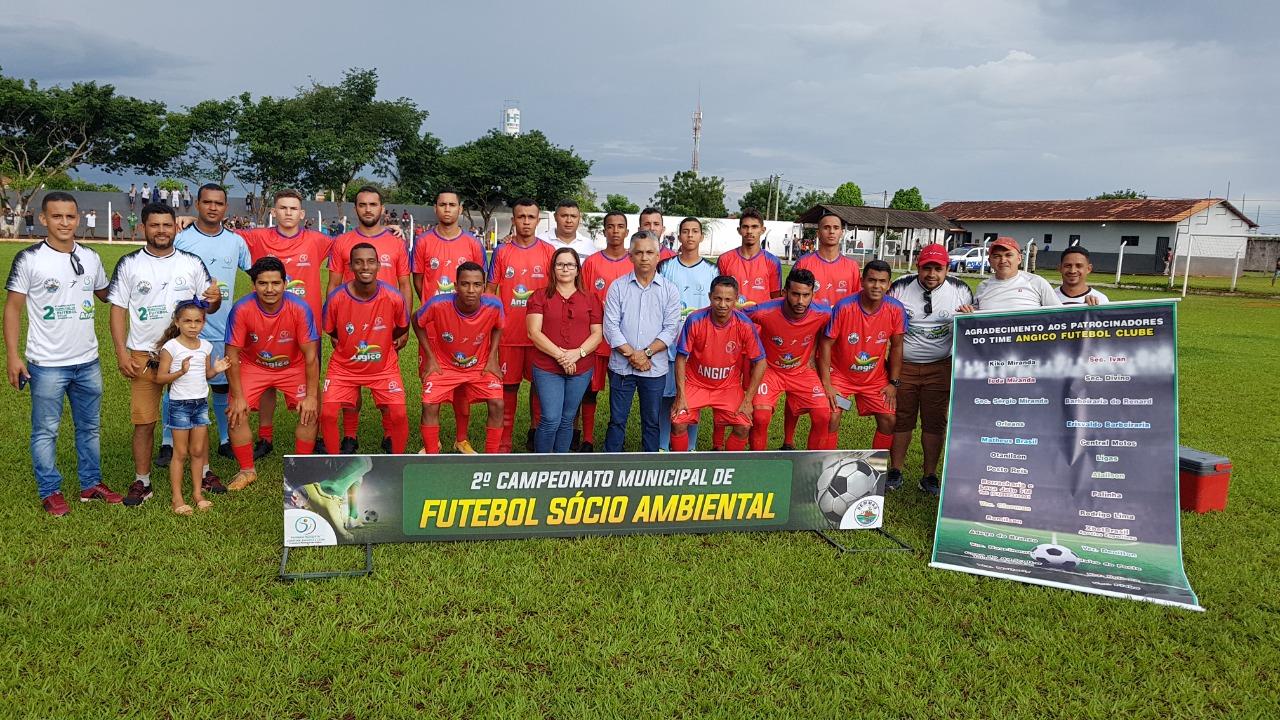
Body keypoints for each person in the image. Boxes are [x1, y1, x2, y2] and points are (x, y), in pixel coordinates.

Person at [4, 191, 119, 516]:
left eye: (70, 216)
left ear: (77, 218)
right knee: (46, 430)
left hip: (88, 361)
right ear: (43, 219)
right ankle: (50, 490)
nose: (64, 222)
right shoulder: (30, 259)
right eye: (57, 216)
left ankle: (90, 484)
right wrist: (13, 356)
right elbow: (12, 310)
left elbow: (106, 294)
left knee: (90, 428)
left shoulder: (91, 257)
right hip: (47, 365)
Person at [108, 202, 220, 507]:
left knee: (198, 416)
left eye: (167, 225)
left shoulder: (191, 262)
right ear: (143, 227)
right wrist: (121, 352)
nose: (161, 231)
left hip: (188, 353)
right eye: (154, 225)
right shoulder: (130, 264)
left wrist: (215, 298)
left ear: (176, 227)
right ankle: (142, 481)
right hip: (145, 355)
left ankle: (206, 473)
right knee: (144, 421)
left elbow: (209, 305)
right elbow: (117, 310)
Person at [157, 184, 250, 486]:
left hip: (223, 330)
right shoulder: (182, 239)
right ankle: (169, 440)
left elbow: (255, 271)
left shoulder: (236, 242)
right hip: (185, 330)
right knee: (179, 387)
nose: (212, 207)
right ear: (196, 204)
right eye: (207, 202)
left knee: (222, 388)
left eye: (219, 203)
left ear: (226, 207)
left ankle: (224, 439)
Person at [233, 189, 334, 456]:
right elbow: (221, 234)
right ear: (274, 212)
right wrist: (189, 221)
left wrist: (389, 229)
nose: (288, 213)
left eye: (293, 209)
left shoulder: (317, 240)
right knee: (266, 375)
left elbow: (349, 243)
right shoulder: (256, 237)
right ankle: (265, 437)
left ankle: (318, 435)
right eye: (283, 208)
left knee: (312, 376)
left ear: (302, 214)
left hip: (304, 326)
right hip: (265, 322)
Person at [326, 186, 412, 453]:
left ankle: (390, 434)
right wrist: (335, 325)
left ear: (382, 208)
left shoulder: (396, 243)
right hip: (351, 323)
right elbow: (333, 285)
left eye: (373, 204)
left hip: (386, 324)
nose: (368, 209)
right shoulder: (342, 242)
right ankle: (350, 435)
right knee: (350, 381)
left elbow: (405, 285)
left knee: (384, 380)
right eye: (362, 204)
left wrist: (404, 326)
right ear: (356, 209)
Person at [223, 256, 321, 490]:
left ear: (285, 283)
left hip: (293, 366)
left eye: (275, 283)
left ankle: (303, 467)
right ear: (253, 285)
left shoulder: (300, 308)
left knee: (310, 411)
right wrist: (237, 396)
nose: (269, 289)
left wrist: (311, 396)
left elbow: (310, 356)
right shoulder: (241, 309)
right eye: (263, 283)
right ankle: (247, 470)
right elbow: (232, 356)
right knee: (236, 413)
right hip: (253, 365)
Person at [887, 244, 972, 495]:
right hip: (905, 366)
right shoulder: (900, 286)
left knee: (935, 422)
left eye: (938, 268)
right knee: (901, 418)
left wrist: (969, 315)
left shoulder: (961, 289)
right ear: (918, 267)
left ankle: (930, 475)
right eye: (927, 268)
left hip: (940, 366)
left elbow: (971, 328)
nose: (932, 274)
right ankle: (895, 469)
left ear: (947, 269)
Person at [410, 189, 486, 453]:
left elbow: (479, 283)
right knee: (432, 383)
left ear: (460, 209)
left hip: (464, 328)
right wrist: (437, 310)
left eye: (452, 205)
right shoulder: (422, 242)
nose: (447, 209)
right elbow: (419, 281)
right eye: (442, 204)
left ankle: (461, 438)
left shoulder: (473, 244)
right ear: (435, 208)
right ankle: (434, 441)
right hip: (433, 328)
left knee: (463, 384)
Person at [817, 261, 906, 469]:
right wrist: (828, 382)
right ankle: (824, 466)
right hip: (842, 376)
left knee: (888, 419)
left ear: (889, 284)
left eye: (882, 281)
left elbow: (897, 347)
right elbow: (826, 343)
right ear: (862, 281)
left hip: (874, 379)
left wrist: (893, 383)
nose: (877, 286)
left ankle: (876, 468)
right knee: (832, 414)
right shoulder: (844, 307)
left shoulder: (895, 309)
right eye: (872, 280)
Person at [787, 212, 862, 448]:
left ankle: (823, 451)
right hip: (806, 337)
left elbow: (855, 305)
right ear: (818, 232)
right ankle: (788, 442)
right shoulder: (804, 263)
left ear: (842, 232)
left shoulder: (851, 267)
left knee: (831, 401)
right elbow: (790, 298)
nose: (831, 231)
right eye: (826, 227)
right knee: (796, 388)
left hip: (837, 340)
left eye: (835, 227)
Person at [602, 231, 682, 452]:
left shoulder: (670, 291)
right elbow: (610, 327)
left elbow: (670, 330)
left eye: (649, 252)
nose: (644, 257)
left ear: (658, 256)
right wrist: (633, 355)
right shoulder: (617, 287)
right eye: (639, 252)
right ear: (630, 256)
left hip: (653, 368)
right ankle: (612, 465)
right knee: (617, 420)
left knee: (652, 422)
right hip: (622, 367)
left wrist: (645, 353)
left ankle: (650, 469)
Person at [414, 262, 505, 454]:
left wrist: (492, 358)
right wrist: (430, 357)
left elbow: (498, 326)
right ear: (455, 286)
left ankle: (492, 457)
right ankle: (432, 454)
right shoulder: (438, 304)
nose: (471, 290)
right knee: (428, 404)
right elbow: (417, 320)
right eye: (465, 284)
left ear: (483, 286)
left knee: (497, 403)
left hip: (478, 365)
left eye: (477, 284)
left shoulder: (494, 304)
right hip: (444, 365)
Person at [486, 198, 555, 452]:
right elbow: (490, 292)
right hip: (508, 337)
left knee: (540, 390)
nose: (526, 222)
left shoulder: (548, 252)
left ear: (538, 220)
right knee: (508, 390)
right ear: (513, 220)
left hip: (540, 337)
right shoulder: (502, 252)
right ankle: (503, 444)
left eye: (531, 217)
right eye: (521, 217)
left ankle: (537, 437)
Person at [669, 276, 766, 452]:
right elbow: (681, 358)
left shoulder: (744, 324)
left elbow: (760, 362)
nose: (722, 304)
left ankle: (728, 469)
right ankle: (681, 469)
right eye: (718, 298)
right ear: (709, 296)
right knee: (678, 422)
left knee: (743, 426)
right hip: (696, 383)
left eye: (728, 299)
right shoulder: (695, 320)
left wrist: (748, 400)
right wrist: (681, 395)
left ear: (736, 300)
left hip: (727, 386)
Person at [713, 207, 783, 449]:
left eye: (755, 227)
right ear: (739, 230)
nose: (750, 232)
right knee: (723, 386)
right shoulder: (725, 260)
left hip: (760, 338)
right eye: (746, 227)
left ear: (762, 230)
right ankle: (717, 443)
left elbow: (776, 302)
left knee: (752, 390)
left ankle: (752, 447)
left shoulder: (772, 262)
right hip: (729, 333)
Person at [153, 299, 230, 514]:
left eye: (197, 321)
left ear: (204, 324)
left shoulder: (205, 346)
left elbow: (205, 375)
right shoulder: (171, 347)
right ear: (177, 323)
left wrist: (216, 370)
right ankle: (177, 498)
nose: (193, 325)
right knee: (180, 452)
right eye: (187, 321)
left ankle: (197, 493)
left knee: (198, 451)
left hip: (200, 404)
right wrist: (180, 372)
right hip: (179, 405)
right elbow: (160, 378)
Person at [743, 269, 834, 451]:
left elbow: (829, 334)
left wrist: (813, 354)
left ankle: (812, 468)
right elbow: (735, 316)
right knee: (760, 417)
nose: (801, 301)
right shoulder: (764, 311)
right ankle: (756, 468)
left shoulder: (823, 313)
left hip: (801, 371)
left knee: (823, 415)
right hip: (770, 370)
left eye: (806, 295)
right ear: (785, 292)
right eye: (795, 294)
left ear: (812, 295)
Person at [527, 248, 603, 452]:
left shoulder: (590, 299)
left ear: (578, 270)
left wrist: (576, 354)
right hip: (547, 367)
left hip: (581, 368)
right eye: (559, 264)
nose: (565, 269)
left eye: (570, 264)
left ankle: (561, 464)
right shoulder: (540, 296)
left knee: (567, 418)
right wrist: (562, 356)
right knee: (551, 418)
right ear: (552, 269)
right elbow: (534, 333)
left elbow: (597, 334)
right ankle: (542, 465)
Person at [656, 217, 718, 450]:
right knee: (666, 397)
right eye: (685, 231)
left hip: (698, 347)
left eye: (695, 231)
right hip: (667, 344)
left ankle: (689, 447)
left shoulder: (712, 269)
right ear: (679, 236)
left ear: (701, 237)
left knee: (693, 399)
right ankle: (662, 445)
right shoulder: (665, 267)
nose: (690, 235)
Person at [577, 212, 633, 452]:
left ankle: (617, 438)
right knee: (590, 391)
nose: (615, 231)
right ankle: (587, 439)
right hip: (598, 339)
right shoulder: (591, 263)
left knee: (621, 394)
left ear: (627, 231)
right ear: (604, 231)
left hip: (628, 341)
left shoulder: (635, 261)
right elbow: (584, 300)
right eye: (610, 226)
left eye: (620, 226)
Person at [961, 237, 1059, 312]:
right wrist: (967, 311)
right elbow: (974, 319)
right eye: (997, 256)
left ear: (1019, 259)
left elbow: (1060, 315)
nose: (1003, 260)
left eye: (1008, 255)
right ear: (990, 261)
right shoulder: (983, 287)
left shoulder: (1037, 283)